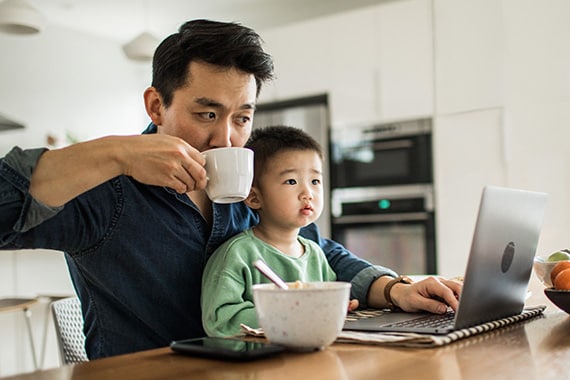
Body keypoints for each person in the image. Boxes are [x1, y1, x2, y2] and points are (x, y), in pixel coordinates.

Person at [0, 19, 462, 359]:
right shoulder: (107, 191)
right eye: (207, 114)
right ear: (156, 105)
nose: (227, 139)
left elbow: (314, 251)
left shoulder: (250, 186)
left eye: (242, 117)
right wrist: (116, 154)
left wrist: (394, 288)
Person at [202, 126, 355, 337]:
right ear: (255, 198)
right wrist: (289, 314)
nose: (307, 193)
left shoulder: (316, 254)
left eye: (315, 181)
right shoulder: (238, 254)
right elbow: (220, 321)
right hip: (256, 363)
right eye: (291, 181)